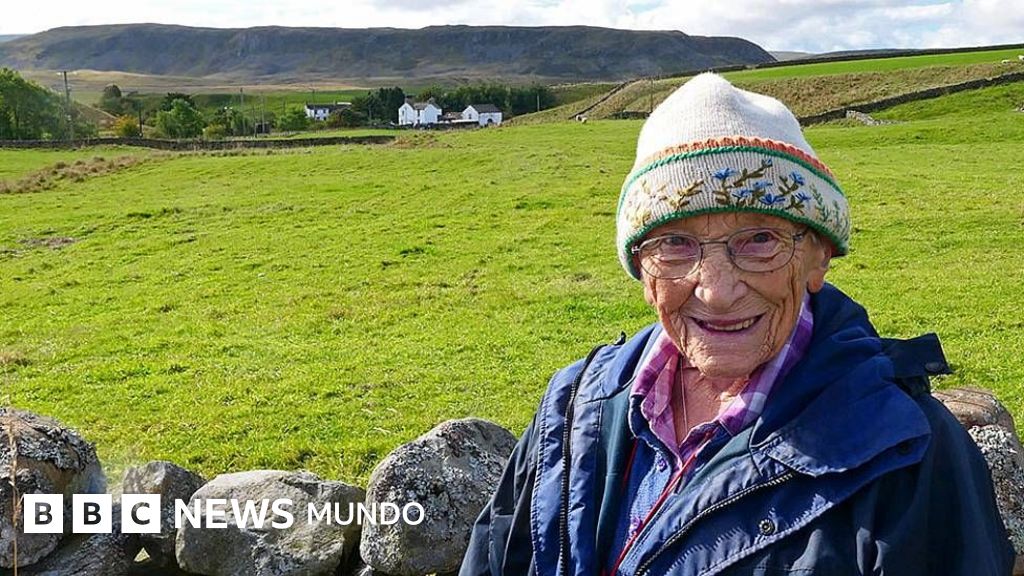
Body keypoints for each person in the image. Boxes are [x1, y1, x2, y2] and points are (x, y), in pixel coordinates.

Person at [459, 73, 1015, 576]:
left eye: (759, 240)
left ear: (818, 256)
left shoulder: (906, 454)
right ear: (641, 267)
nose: (716, 290)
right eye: (675, 243)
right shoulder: (576, 405)